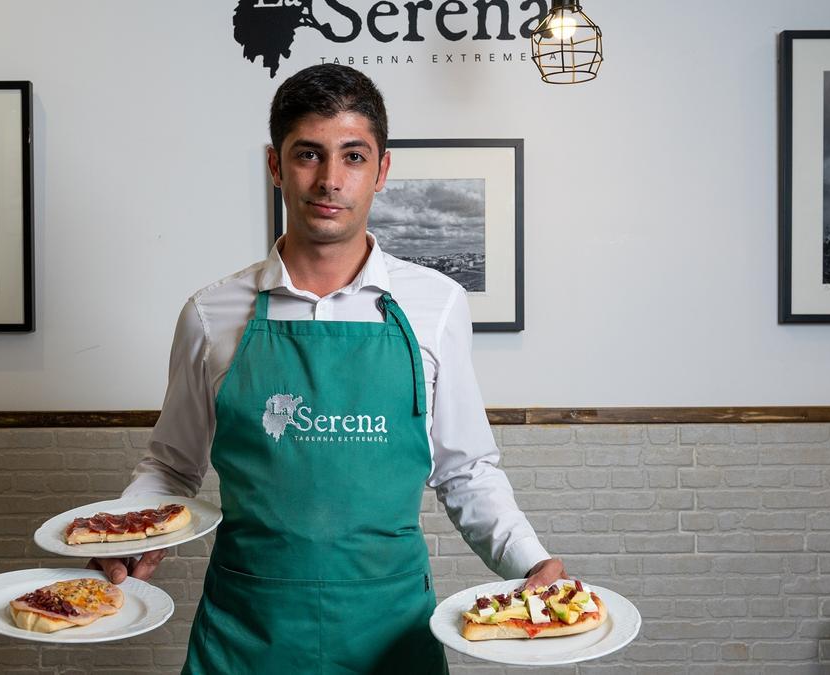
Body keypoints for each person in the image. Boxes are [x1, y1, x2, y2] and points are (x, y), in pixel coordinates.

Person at [92, 63, 564, 674]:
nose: (330, 180)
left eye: (354, 156)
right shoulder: (210, 315)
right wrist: (130, 539)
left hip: (390, 630)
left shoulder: (436, 304)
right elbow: (172, 465)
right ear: (275, 166)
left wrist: (532, 562)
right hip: (247, 630)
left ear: (382, 170)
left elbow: (465, 470)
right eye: (308, 154)